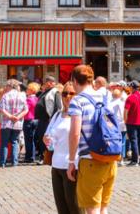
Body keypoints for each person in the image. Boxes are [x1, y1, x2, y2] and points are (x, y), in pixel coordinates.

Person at [67, 64, 118, 214]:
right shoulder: (104, 97)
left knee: (91, 209)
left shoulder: (78, 101)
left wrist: (71, 161)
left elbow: (75, 133)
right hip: (110, 157)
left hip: (91, 160)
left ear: (75, 81)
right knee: (103, 208)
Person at [43, 81, 79, 214]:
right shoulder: (58, 114)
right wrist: (47, 139)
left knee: (74, 205)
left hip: (73, 164)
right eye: (65, 93)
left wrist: (72, 162)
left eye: (71, 93)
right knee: (61, 206)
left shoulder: (79, 115)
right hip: (56, 164)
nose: (68, 96)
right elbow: (48, 135)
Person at [0, 78, 28, 167]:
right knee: (15, 141)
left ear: (10, 86)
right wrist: (17, 117)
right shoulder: (22, 95)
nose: (5, 87)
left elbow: (1, 109)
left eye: (6, 86)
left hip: (6, 123)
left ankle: (2, 162)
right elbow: (26, 110)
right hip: (17, 123)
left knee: (4, 143)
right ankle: (14, 162)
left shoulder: (5, 96)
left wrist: (10, 116)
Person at [35, 76, 59, 165]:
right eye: (46, 82)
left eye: (50, 82)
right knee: (41, 138)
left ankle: (47, 157)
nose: (47, 83)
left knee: (47, 139)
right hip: (42, 120)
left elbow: (57, 107)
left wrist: (53, 119)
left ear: (53, 83)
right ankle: (43, 156)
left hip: (48, 119)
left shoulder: (55, 92)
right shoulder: (45, 92)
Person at [124, 81, 140, 166]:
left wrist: (125, 121)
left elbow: (126, 111)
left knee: (133, 140)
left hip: (131, 122)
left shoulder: (130, 98)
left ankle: (134, 160)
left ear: (132, 88)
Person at [23, 82, 40, 164]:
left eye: (28, 89)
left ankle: (29, 157)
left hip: (28, 120)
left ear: (32, 90)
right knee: (33, 140)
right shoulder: (37, 99)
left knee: (28, 140)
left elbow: (25, 110)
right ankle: (31, 156)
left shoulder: (28, 99)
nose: (26, 90)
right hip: (35, 120)